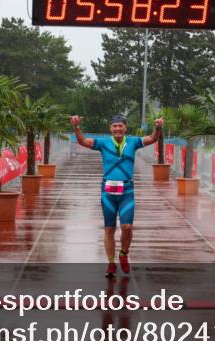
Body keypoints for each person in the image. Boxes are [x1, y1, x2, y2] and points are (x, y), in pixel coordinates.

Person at [70, 114, 163, 277]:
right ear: (110, 129)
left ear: (125, 128)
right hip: (107, 192)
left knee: (127, 227)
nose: (118, 129)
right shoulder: (103, 143)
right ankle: (111, 263)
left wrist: (158, 128)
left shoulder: (133, 142)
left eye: (120, 126)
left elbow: (152, 139)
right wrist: (76, 127)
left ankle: (124, 254)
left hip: (127, 191)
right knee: (109, 228)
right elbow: (83, 141)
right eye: (115, 126)